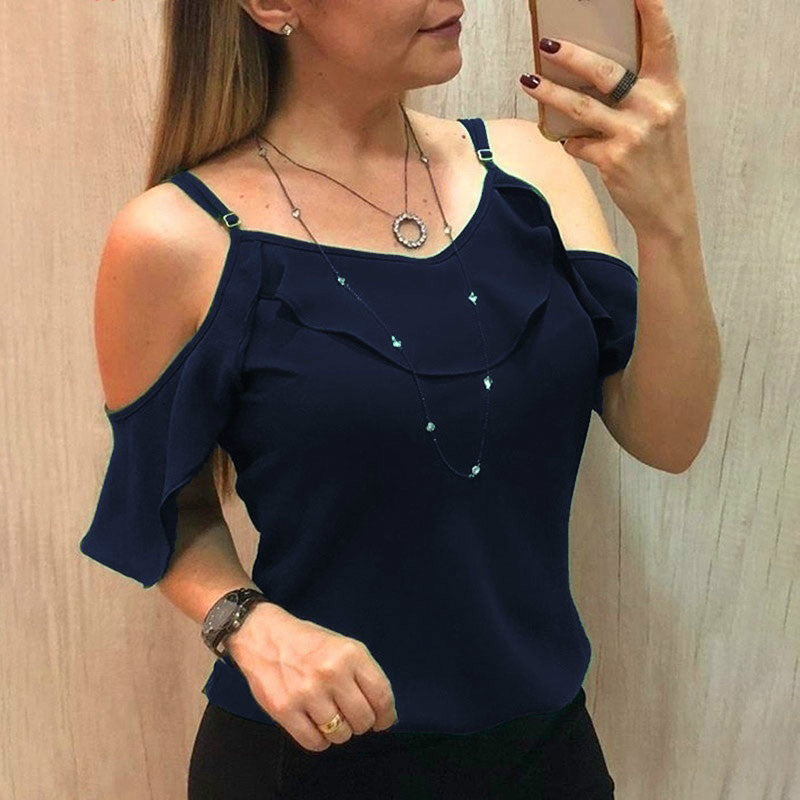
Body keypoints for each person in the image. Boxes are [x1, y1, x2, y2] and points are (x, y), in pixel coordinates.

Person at [81, 0, 714, 797]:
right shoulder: (177, 238)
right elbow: (165, 508)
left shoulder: (531, 170)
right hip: (312, 760)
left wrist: (667, 219)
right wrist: (247, 624)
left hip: (547, 752)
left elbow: (670, 437)